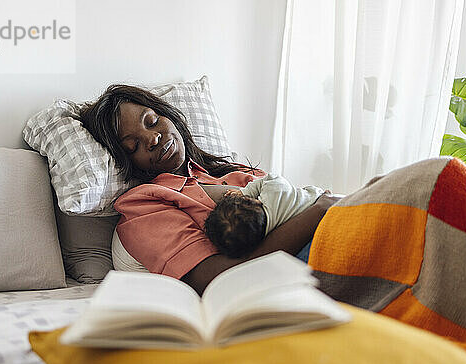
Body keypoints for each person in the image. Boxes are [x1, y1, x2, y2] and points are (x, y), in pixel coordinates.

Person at [80, 85, 339, 295]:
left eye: (152, 121)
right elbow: (217, 278)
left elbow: (295, 203)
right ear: (124, 161)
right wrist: (319, 211)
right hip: (300, 268)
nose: (152, 138)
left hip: (331, 230)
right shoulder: (143, 204)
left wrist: (325, 206)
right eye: (132, 146)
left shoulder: (234, 173)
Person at [203, 173, 339, 259]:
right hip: (325, 202)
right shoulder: (273, 195)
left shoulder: (269, 233)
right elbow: (272, 178)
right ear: (254, 200)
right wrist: (245, 192)